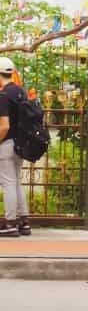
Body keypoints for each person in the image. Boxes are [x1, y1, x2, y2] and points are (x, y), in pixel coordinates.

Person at [0, 57, 30, 238]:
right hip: (19, 145)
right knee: (17, 182)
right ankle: (24, 221)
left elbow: (4, 125)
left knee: (8, 183)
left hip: (6, 144)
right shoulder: (21, 93)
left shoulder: (3, 96)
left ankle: (10, 223)